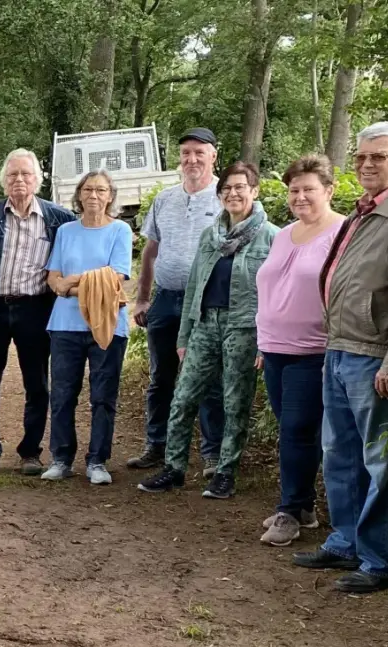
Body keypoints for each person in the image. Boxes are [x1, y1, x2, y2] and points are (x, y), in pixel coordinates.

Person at [294, 122, 388, 593]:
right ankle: (346, 541)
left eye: (378, 157)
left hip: (376, 358)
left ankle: (381, 560)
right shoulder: (369, 209)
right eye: (361, 157)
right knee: (339, 453)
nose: (365, 165)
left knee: (382, 461)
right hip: (341, 347)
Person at [138, 162, 279, 500]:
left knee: (235, 401)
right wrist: (185, 335)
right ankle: (174, 468)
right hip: (205, 323)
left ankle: (225, 473)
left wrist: (265, 343)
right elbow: (195, 287)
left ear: (254, 191)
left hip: (244, 328)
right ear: (220, 195)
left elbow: (275, 294)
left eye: (240, 187)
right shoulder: (210, 236)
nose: (233, 193)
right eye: (227, 188)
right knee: (183, 397)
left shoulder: (272, 236)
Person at [0, 148, 75, 476]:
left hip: (36, 309)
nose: (19, 180)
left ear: (38, 179)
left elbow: (75, 258)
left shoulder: (59, 219)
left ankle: (30, 452)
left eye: (25, 174)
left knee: (36, 383)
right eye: (13, 175)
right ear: (4, 181)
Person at [253, 155, 345, 546]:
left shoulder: (343, 232)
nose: (300, 196)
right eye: (294, 190)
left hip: (314, 351)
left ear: (328, 190)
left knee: (296, 430)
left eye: (309, 189)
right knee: (295, 431)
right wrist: (262, 342)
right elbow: (270, 289)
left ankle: (290, 512)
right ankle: (304, 507)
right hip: (274, 348)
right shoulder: (283, 233)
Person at [130, 127, 226, 473]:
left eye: (200, 152)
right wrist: (142, 300)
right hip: (165, 301)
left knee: (208, 379)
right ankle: (157, 445)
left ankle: (213, 453)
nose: (192, 159)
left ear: (214, 155)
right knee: (161, 378)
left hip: (207, 304)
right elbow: (150, 252)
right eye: (186, 153)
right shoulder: (165, 199)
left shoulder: (225, 198)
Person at [42, 169, 133, 485]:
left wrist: (70, 284)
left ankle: (97, 461)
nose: (94, 195)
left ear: (110, 196)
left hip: (107, 325)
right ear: (79, 195)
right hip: (65, 325)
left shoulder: (120, 231)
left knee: (103, 396)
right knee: (63, 394)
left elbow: (116, 279)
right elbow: (52, 277)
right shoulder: (66, 231)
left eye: (101, 190)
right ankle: (61, 458)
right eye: (88, 189)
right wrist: (69, 284)